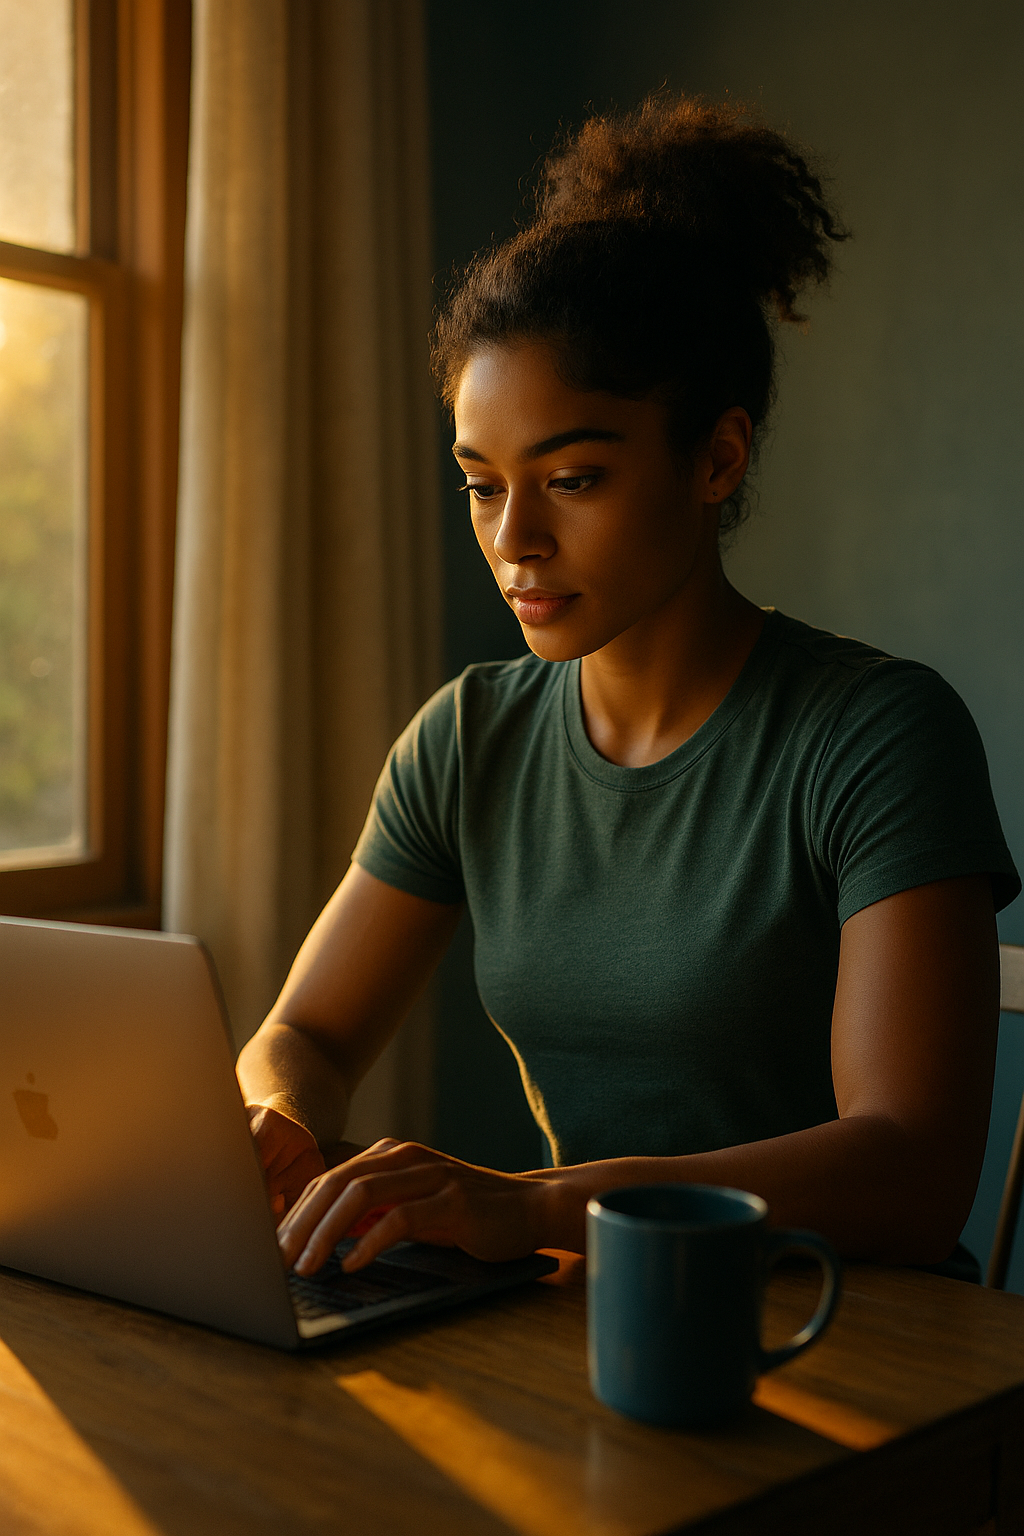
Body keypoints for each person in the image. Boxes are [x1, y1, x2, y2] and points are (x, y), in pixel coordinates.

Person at [237, 96, 1020, 1283]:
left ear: (718, 458)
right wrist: (280, 1119)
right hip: (593, 1327)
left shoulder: (876, 735)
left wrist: (535, 1205)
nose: (517, 541)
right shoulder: (468, 738)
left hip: (856, 1346)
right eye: (482, 485)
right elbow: (304, 1033)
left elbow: (910, 1170)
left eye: (575, 478)